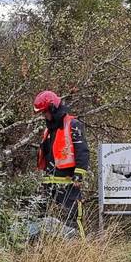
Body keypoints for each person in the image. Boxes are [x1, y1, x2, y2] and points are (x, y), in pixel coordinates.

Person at [34, 90, 90, 234]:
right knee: (47, 222)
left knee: (72, 220)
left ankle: (82, 250)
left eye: (45, 112)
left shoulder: (73, 124)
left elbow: (82, 150)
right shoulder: (49, 130)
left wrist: (79, 174)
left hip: (68, 184)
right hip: (49, 185)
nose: (44, 115)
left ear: (53, 108)